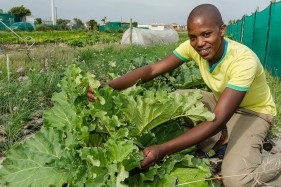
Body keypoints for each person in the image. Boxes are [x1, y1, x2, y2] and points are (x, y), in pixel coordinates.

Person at [87, 4, 281, 186]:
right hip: (222, 100)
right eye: (193, 37)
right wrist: (110, 86)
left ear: (222, 30)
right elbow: (153, 69)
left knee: (235, 180)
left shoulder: (243, 60)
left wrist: (163, 149)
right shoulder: (193, 46)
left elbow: (217, 120)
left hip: (253, 112)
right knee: (175, 100)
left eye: (206, 34)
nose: (199, 43)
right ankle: (221, 141)